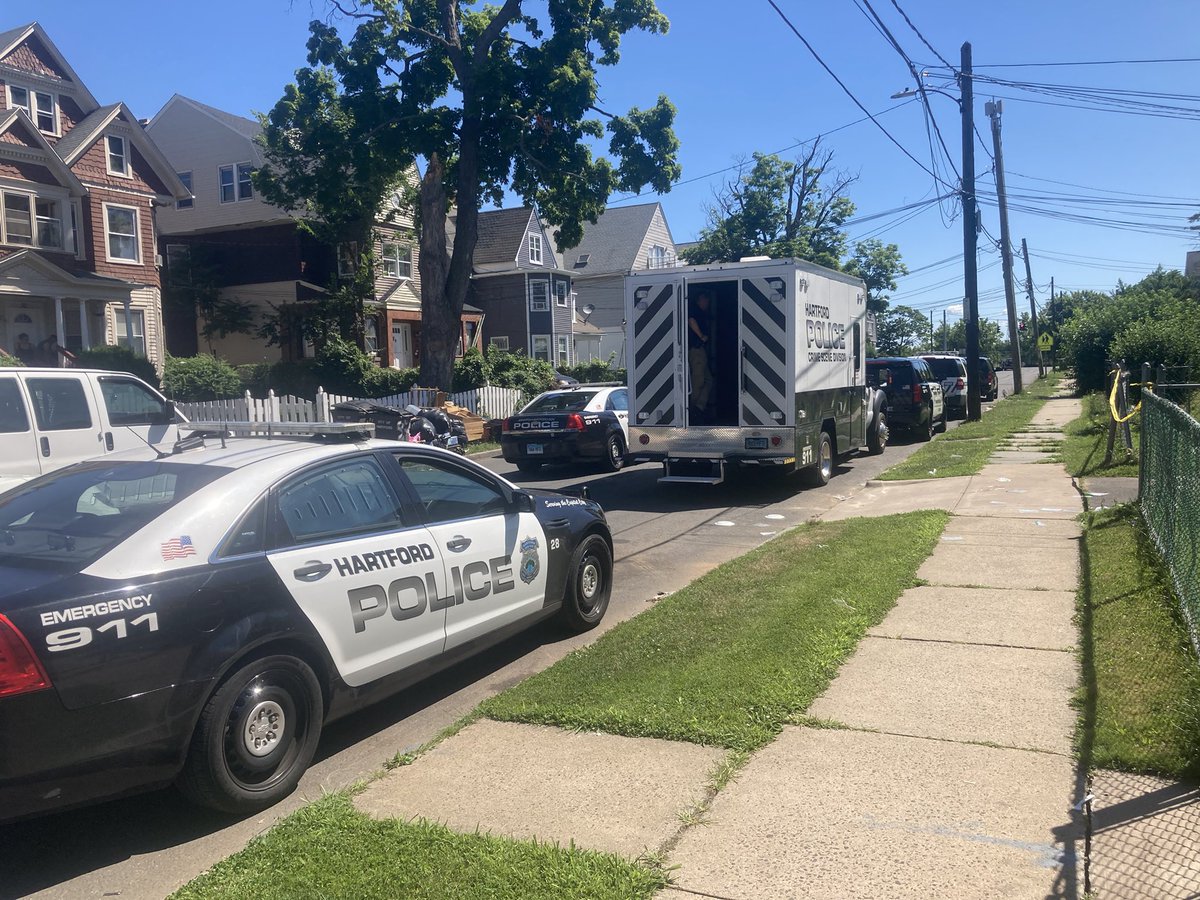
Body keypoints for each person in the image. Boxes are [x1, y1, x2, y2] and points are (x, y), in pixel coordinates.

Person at [687, 292, 714, 422]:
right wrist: (701, 336)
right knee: (698, 381)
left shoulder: (700, 312)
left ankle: (699, 407)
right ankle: (692, 411)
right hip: (696, 350)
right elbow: (691, 321)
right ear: (700, 299)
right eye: (706, 299)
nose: (707, 302)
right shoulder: (695, 310)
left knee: (709, 380)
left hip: (700, 350)